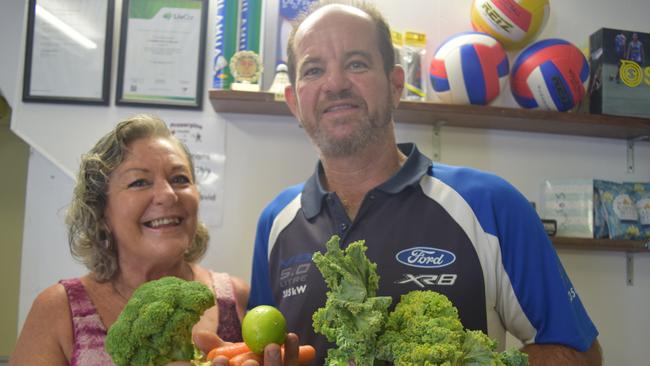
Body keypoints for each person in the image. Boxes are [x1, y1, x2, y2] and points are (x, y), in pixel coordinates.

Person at [248, 1, 603, 365]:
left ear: (395, 85)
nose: (335, 83)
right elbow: (259, 350)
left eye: (357, 64)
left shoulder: (490, 205)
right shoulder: (275, 222)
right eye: (313, 69)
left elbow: (580, 352)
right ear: (293, 102)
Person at [10, 115, 252, 365]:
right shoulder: (58, 310)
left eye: (180, 179)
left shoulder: (236, 298)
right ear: (101, 212)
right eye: (139, 182)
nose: (167, 195)